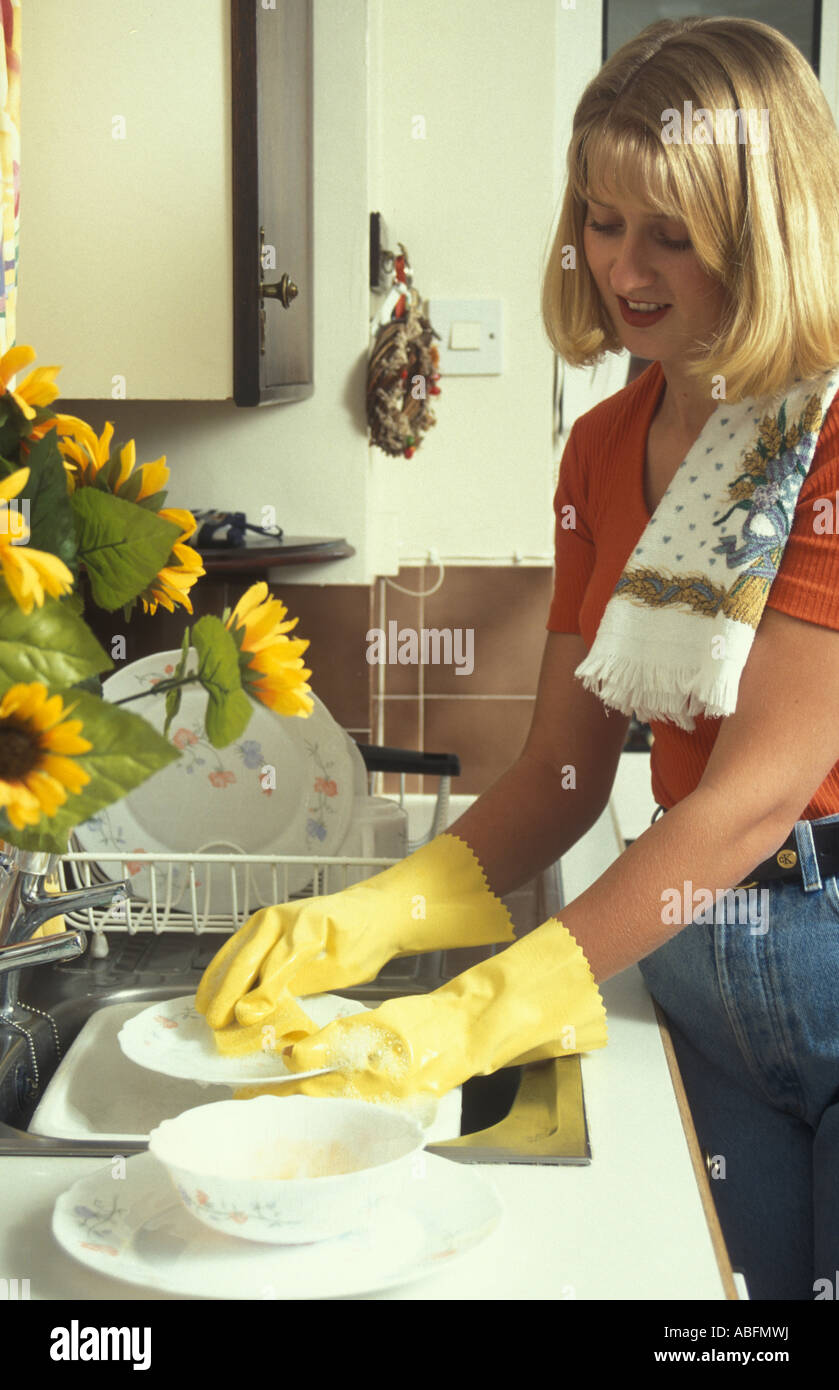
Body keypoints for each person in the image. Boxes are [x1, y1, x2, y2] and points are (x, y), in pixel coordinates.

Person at [196, 17, 839, 1301]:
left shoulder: (824, 437)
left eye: (670, 230)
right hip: (696, 967)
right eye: (602, 220)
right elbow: (559, 771)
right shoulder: (600, 449)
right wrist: (374, 916)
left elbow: (754, 791)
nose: (625, 268)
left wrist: (490, 1002)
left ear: (762, 223)